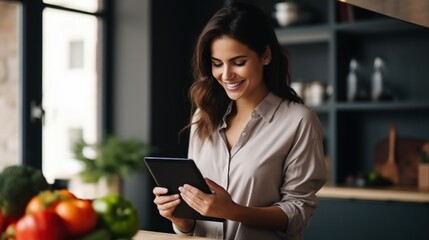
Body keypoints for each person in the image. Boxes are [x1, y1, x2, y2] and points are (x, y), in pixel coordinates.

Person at [152, 2, 327, 240]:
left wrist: (233, 211)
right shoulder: (203, 117)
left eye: (238, 62)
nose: (225, 75)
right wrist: (179, 218)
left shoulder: (299, 121)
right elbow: (193, 225)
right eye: (217, 64)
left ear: (265, 55)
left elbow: (297, 212)